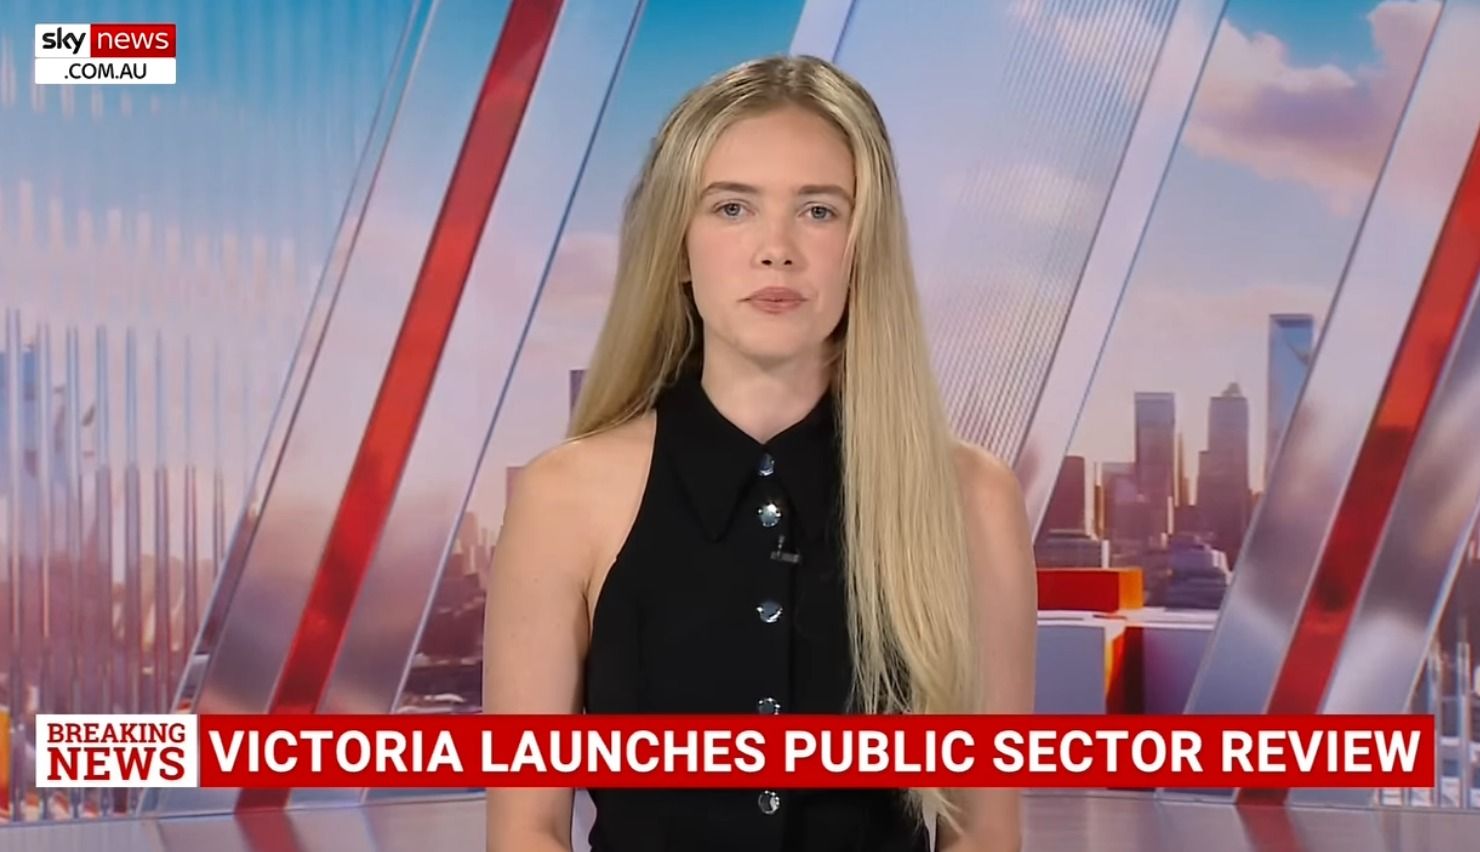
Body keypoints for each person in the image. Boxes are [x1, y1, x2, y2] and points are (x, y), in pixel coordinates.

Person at [483, 54, 1036, 852]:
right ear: (678, 248)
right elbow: (528, 830)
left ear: (865, 246)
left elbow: (982, 835)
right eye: (733, 208)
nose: (777, 249)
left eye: (819, 210)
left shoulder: (972, 499)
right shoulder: (563, 498)